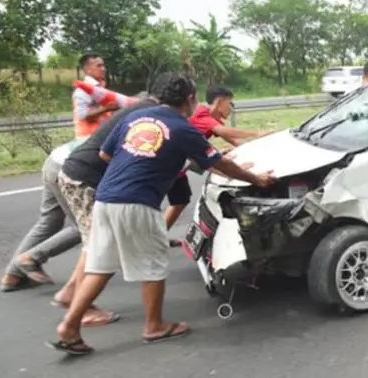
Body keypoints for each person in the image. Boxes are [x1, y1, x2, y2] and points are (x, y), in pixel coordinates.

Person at [47, 73, 276, 356]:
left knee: (99, 265)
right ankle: (154, 326)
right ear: (190, 99)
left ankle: (69, 327)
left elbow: (106, 156)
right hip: (138, 202)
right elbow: (218, 164)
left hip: (105, 198)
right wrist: (257, 179)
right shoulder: (183, 127)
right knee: (153, 265)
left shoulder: (135, 118)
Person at [54, 87, 180, 327]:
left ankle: (71, 294)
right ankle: (82, 311)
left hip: (77, 171)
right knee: (97, 245)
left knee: (96, 242)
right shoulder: (151, 117)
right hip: (87, 177)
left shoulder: (138, 111)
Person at [164, 85, 272, 231]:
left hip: (184, 163)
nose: (231, 108)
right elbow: (223, 133)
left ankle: (160, 234)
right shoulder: (202, 114)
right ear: (220, 102)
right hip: (174, 162)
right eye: (230, 103)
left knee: (180, 200)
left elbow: (234, 141)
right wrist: (256, 133)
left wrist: (258, 150)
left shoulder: (213, 122)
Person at [0, 138, 87, 292]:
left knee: (50, 220)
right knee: (84, 225)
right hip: (71, 167)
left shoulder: (131, 122)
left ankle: (13, 276)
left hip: (55, 160)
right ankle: (32, 258)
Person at [73, 54, 118, 139]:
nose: (103, 69)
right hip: (88, 139)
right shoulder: (83, 90)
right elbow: (83, 116)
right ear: (88, 70)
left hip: (102, 137)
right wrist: (106, 108)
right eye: (99, 66)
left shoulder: (100, 88)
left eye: (103, 65)